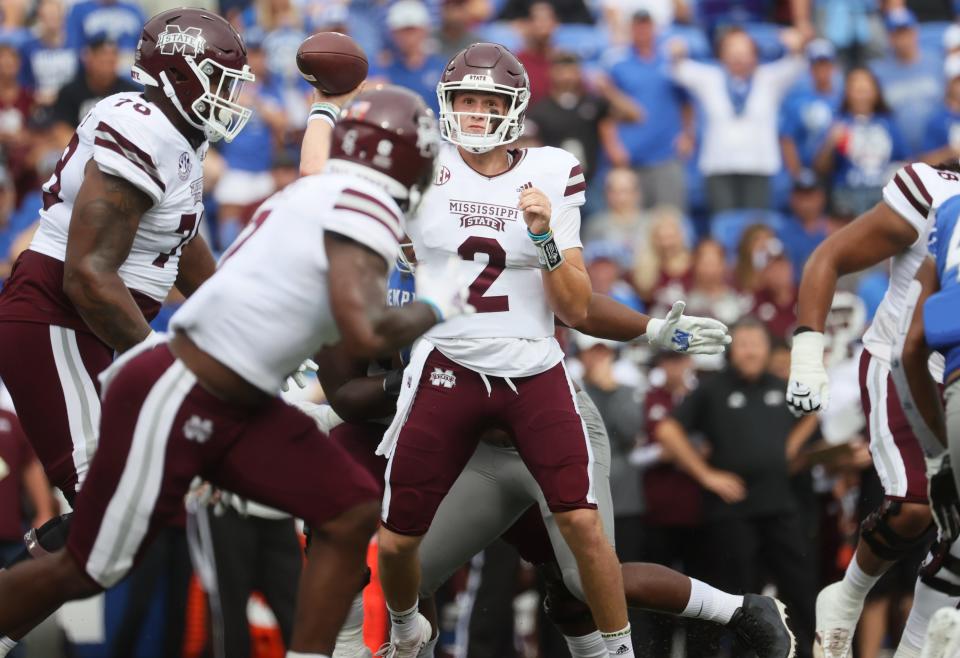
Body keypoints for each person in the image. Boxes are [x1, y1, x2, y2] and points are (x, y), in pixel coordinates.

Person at [0, 84, 471, 658]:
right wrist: (439, 304)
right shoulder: (365, 207)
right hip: (186, 389)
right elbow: (367, 331)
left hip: (237, 396)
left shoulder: (314, 194)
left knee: (347, 509)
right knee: (91, 564)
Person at [373, 42, 729, 658]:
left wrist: (541, 237)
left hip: (532, 366)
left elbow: (573, 305)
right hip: (448, 365)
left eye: (489, 101)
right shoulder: (422, 166)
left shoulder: (550, 171)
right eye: (465, 100)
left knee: (583, 524)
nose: (476, 114)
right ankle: (406, 629)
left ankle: (618, 651)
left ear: (514, 108)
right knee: (397, 543)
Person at [0, 9, 255, 655]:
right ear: (177, 73)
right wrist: (164, 367)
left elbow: (180, 240)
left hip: (86, 330)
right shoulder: (142, 128)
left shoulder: (174, 131)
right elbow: (88, 275)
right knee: (114, 514)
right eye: (219, 79)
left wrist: (237, 313)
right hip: (54, 322)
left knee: (122, 516)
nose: (230, 96)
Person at [786, 127, 960, 658]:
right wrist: (807, 350)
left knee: (956, 534)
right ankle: (848, 595)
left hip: (952, 376)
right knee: (914, 503)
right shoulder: (935, 190)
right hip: (903, 367)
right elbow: (829, 257)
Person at [656, 316, 818, 656]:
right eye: (743, 345)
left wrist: (787, 450)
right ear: (732, 351)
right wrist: (706, 475)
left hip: (782, 507)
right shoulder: (712, 390)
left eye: (756, 344)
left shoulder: (781, 385)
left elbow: (812, 412)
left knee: (801, 591)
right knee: (740, 598)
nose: (750, 352)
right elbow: (667, 431)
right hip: (733, 512)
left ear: (766, 348)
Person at [669, 26, 806, 214]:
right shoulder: (711, 78)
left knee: (756, 227)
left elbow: (796, 66)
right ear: (721, 55)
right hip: (718, 165)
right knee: (723, 226)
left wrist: (796, 46)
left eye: (743, 51)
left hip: (758, 165)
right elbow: (678, 70)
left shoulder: (768, 78)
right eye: (732, 51)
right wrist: (677, 52)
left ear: (754, 54)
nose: (738, 57)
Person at [605, 9, 692, 210]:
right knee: (633, 223)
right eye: (637, 26)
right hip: (631, 157)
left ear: (654, 29)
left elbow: (686, 102)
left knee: (671, 217)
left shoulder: (670, 64)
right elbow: (607, 112)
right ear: (631, 30)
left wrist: (688, 135)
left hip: (666, 153)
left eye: (646, 26)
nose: (642, 31)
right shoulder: (619, 65)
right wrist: (613, 145)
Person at [814, 66, 907, 218]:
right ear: (847, 93)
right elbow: (821, 169)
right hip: (847, 196)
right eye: (857, 89)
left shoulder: (889, 124)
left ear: (875, 93)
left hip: (882, 195)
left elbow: (904, 160)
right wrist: (830, 144)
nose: (861, 95)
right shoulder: (839, 124)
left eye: (865, 89)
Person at [870, 7, 943, 157]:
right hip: (898, 155)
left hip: (939, 151)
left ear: (915, 32)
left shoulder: (937, 61)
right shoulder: (877, 71)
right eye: (897, 33)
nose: (903, 39)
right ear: (889, 38)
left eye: (906, 31)